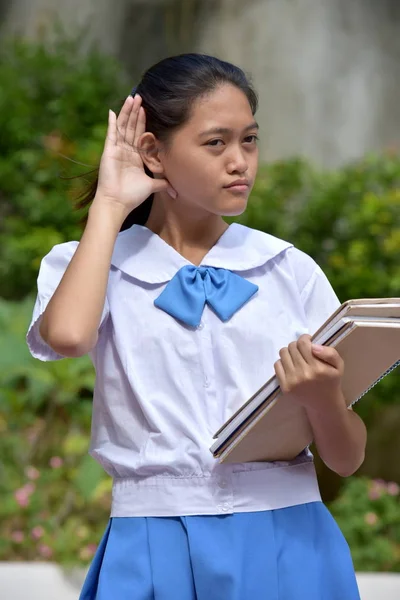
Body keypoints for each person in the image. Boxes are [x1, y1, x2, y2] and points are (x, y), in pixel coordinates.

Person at [26, 53, 365, 599]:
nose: (241, 162)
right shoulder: (95, 262)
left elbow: (347, 459)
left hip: (289, 540)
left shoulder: (288, 269)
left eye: (249, 140)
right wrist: (110, 205)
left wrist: (325, 397)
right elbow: (67, 337)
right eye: (216, 143)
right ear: (153, 153)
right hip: (154, 541)